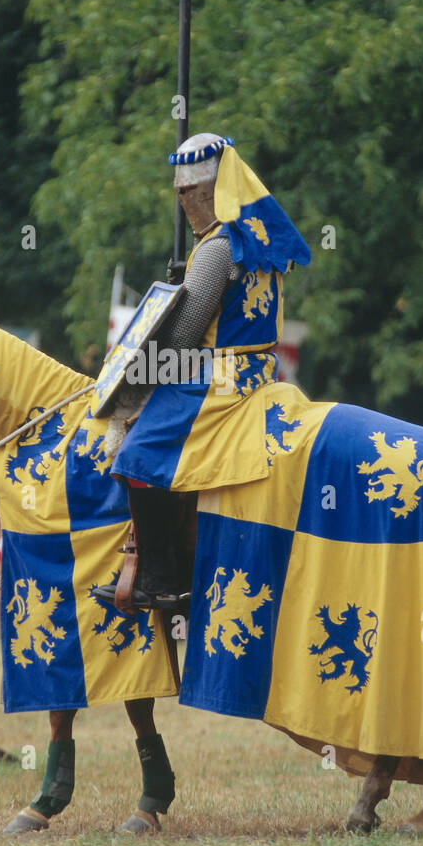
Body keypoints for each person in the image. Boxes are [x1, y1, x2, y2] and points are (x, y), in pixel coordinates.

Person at [98, 132, 310, 607]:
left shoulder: (217, 247)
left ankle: (159, 575)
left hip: (219, 377)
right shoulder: (258, 239)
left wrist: (136, 376)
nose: (181, 203)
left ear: (209, 191)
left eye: (185, 193)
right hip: (262, 372)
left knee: (137, 452)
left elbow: (180, 340)